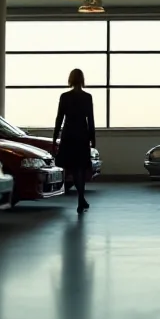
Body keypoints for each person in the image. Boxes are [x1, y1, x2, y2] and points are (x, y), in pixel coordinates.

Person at [53, 68, 96, 214]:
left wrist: (54, 138)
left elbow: (59, 118)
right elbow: (90, 119)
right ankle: (81, 199)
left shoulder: (64, 96)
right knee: (80, 168)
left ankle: (81, 198)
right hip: (82, 135)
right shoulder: (87, 97)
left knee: (70, 167)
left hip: (68, 134)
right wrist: (93, 138)